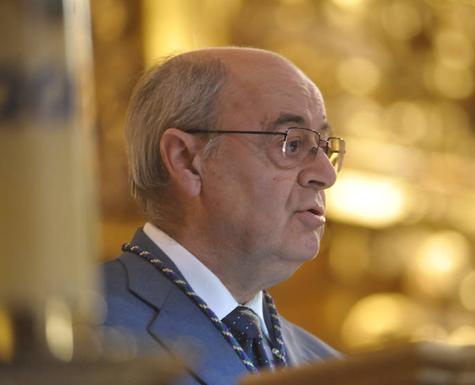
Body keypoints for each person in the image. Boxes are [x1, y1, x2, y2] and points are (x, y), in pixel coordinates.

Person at [102, 47, 346, 385]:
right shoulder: (76, 335)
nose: (326, 174)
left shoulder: (334, 370)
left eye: (325, 148)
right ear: (187, 160)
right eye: (291, 144)